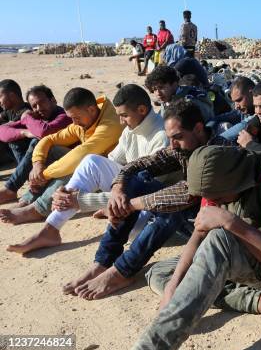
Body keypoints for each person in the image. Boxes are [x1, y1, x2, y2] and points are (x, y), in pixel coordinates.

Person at [128, 145, 261, 350]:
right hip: (244, 256)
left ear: (235, 181)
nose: (215, 202)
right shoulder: (220, 180)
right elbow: (199, 233)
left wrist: (230, 221)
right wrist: (171, 290)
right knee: (160, 274)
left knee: (219, 239)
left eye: (219, 198)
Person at [62, 100, 212, 300]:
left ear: (199, 129)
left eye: (177, 137)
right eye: (169, 138)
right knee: (135, 180)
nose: (172, 145)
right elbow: (136, 165)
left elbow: (186, 194)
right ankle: (104, 262)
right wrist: (117, 192)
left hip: (211, 226)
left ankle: (123, 271)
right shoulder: (182, 146)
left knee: (173, 208)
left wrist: (130, 205)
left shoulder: (215, 153)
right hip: (191, 215)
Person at [7, 85, 168, 255]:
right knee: (90, 161)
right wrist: (71, 193)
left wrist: (83, 200)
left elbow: (149, 195)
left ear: (142, 110)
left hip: (150, 214)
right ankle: (50, 229)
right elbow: (111, 162)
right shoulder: (131, 128)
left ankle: (49, 208)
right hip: (127, 195)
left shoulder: (161, 137)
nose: (121, 121)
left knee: (84, 168)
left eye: (124, 116)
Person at [1, 88, 122, 227]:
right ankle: (29, 198)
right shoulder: (85, 119)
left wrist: (43, 175)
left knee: (76, 164)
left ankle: (37, 209)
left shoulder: (109, 125)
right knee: (46, 148)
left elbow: (81, 154)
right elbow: (48, 139)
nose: (74, 123)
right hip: (92, 168)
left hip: (113, 179)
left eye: (76, 118)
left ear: (91, 110)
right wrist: (37, 164)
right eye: (72, 118)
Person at [0, 85, 72, 204]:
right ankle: (29, 183)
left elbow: (45, 132)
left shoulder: (63, 116)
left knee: (38, 141)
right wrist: (25, 132)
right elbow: (2, 130)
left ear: (53, 100)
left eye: (42, 102)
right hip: (46, 163)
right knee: (18, 139)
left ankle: (12, 188)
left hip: (69, 160)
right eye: (34, 106)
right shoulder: (37, 118)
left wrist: (27, 119)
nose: (38, 108)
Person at [144, 65, 213, 122]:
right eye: (155, 89)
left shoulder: (191, 102)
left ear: (174, 84)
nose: (158, 93)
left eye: (161, 87)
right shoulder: (167, 99)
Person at [208, 76, 256, 141]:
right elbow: (219, 118)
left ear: (252, 93)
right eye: (234, 102)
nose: (236, 107)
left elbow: (243, 125)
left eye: (239, 100)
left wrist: (212, 142)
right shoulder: (245, 110)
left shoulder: (260, 114)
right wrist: (207, 129)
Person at [0, 79, 32, 164]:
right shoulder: (10, 110)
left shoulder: (26, 112)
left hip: (27, 154)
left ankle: (23, 168)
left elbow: (6, 128)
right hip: (12, 153)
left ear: (12, 96)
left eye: (0, 96)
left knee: (12, 139)